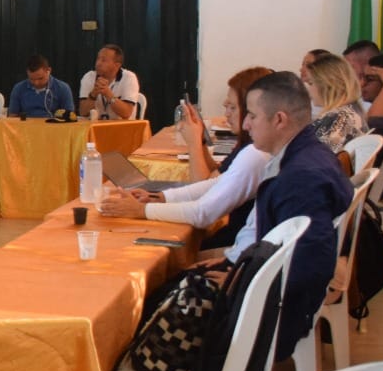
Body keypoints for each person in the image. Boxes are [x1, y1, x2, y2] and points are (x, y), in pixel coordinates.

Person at [235, 72, 352, 364]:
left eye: (252, 115)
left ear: (279, 120)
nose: (245, 124)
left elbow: (307, 264)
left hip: (275, 312)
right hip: (272, 287)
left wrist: (241, 282)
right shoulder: (308, 154)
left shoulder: (301, 179)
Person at [100, 67, 272, 243]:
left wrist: (142, 210)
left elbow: (203, 212)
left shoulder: (256, 154)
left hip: (236, 247)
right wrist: (157, 198)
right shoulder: (252, 149)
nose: (227, 114)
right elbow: (215, 183)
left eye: (234, 108)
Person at [301, 52, 367, 153]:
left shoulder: (338, 119)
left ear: (327, 85)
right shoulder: (351, 110)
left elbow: (315, 157)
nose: (309, 90)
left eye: (311, 83)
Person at [77, 44, 141, 120]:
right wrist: (93, 94)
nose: (98, 63)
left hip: (122, 126)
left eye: (103, 60)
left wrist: (108, 94)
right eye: (98, 59)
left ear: (117, 65)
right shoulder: (89, 77)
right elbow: (83, 112)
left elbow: (126, 113)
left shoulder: (129, 78)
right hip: (96, 126)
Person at [7, 54, 75, 118]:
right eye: (32, 79)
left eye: (40, 78)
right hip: (26, 125)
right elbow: (12, 117)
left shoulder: (63, 88)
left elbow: (69, 117)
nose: (36, 83)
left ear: (49, 71)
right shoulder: (18, 88)